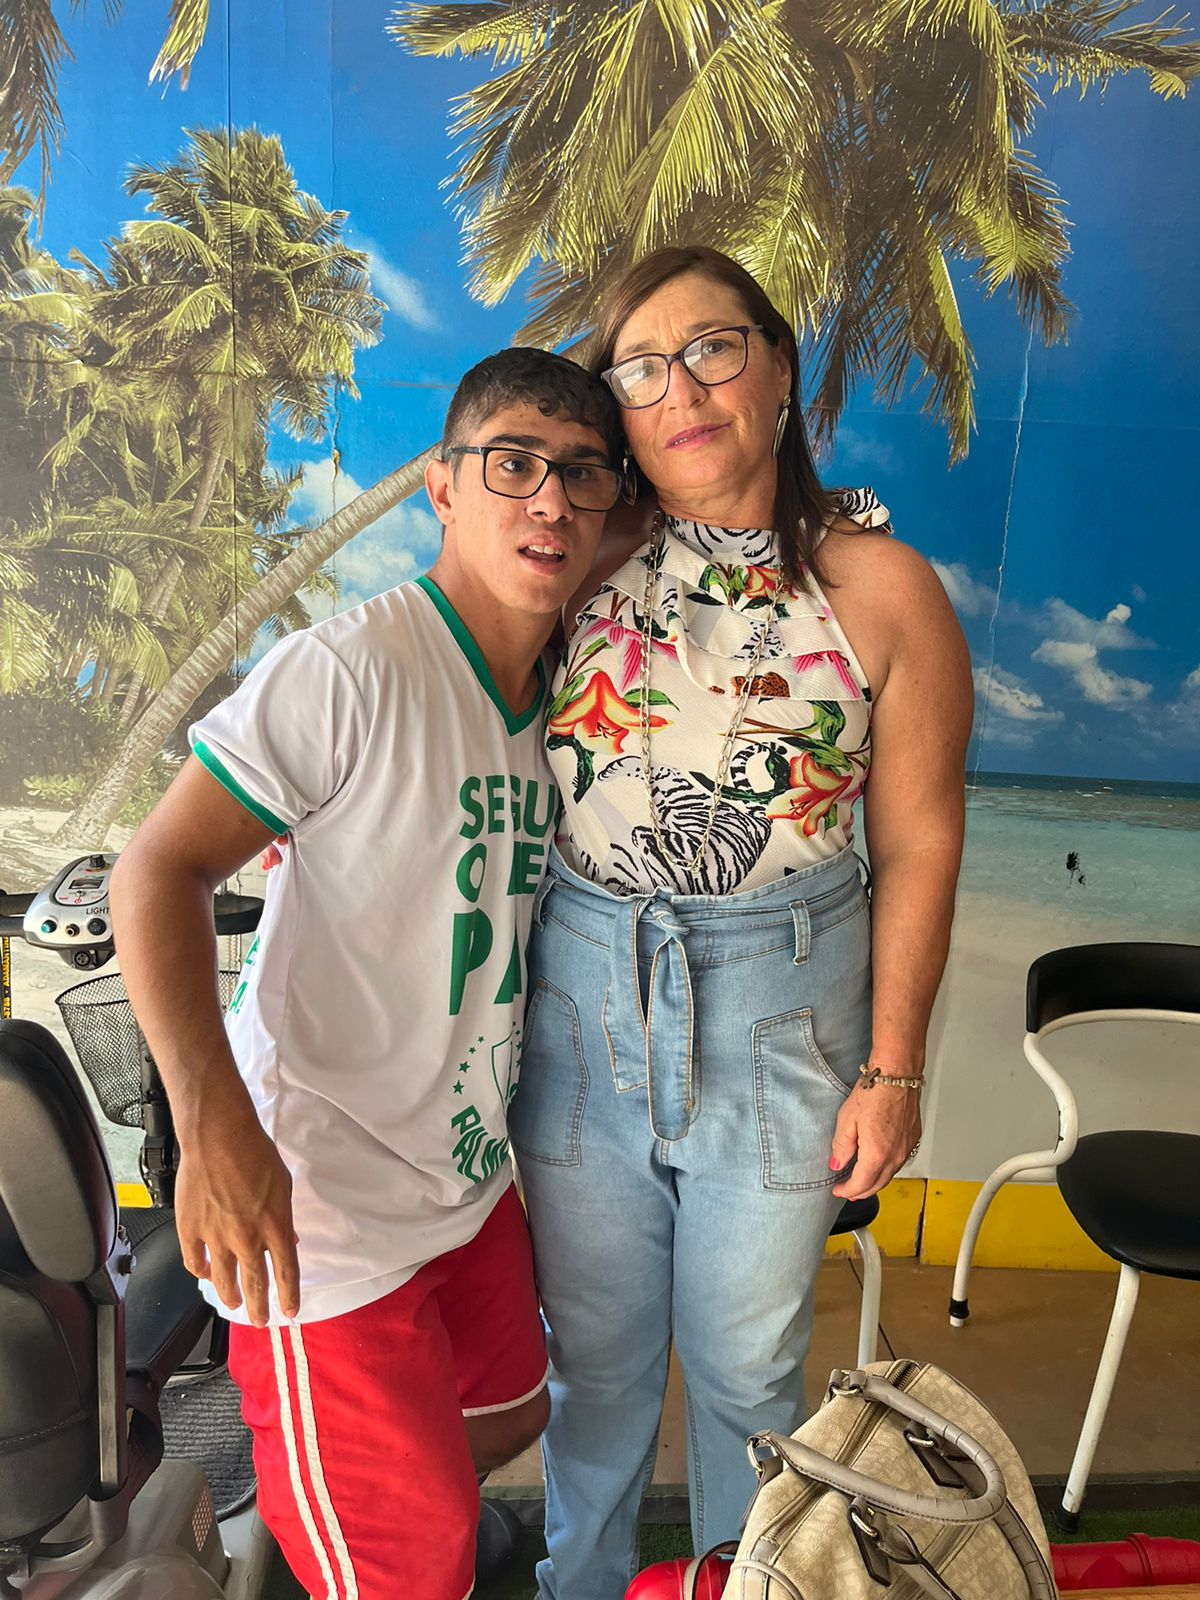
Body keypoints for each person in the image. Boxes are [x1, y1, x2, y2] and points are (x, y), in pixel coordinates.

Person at [109, 347, 623, 1600]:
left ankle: (369, 1516)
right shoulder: (352, 669)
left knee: (512, 1408)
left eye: (581, 474)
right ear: (441, 487)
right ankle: (366, 1538)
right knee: (416, 1564)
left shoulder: (563, 696)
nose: (550, 500)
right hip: (321, 1205)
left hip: (459, 1179)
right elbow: (156, 871)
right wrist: (214, 1124)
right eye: (512, 465)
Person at [507, 247, 974, 1598]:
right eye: (640, 370)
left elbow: (919, 841)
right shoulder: (574, 560)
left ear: (777, 367)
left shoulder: (884, 590)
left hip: (786, 1012)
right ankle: (579, 1586)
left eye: (712, 348)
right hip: (583, 997)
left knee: (748, 1371)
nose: (682, 390)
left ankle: (743, 1585)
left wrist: (894, 1068)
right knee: (593, 1366)